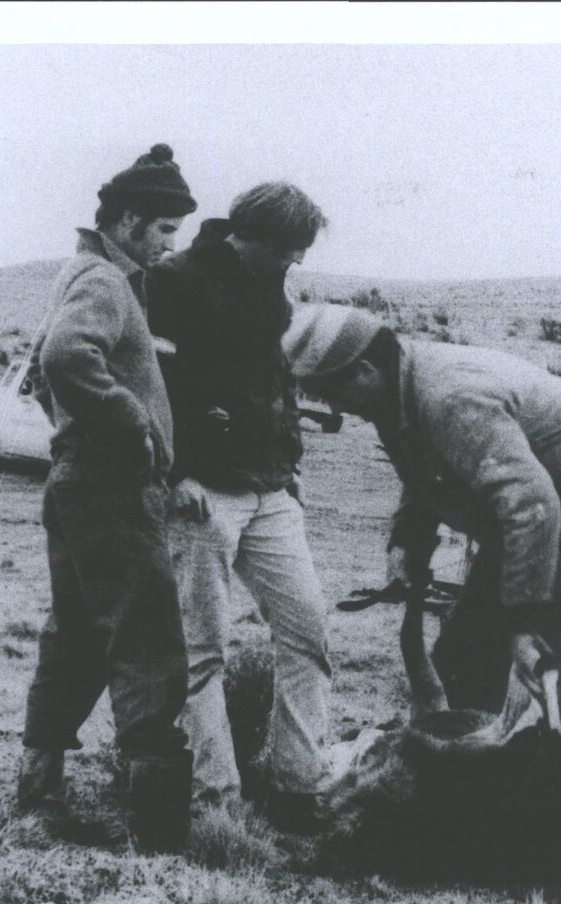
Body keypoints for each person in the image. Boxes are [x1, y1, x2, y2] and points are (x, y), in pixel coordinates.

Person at [281, 306, 561, 888]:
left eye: (334, 393)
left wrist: (524, 626)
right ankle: (476, 818)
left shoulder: (449, 397)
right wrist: (407, 542)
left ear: (365, 370)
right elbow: (427, 472)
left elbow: (534, 502)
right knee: (464, 660)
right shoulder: (398, 394)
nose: (337, 409)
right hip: (523, 520)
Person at [16, 144, 198, 850]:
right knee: (149, 636)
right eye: (161, 231)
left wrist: (72, 436)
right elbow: (63, 357)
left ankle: (39, 794)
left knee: (78, 633)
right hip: (112, 486)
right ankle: (156, 832)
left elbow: (38, 370)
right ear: (126, 221)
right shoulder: (105, 282)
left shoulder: (79, 271)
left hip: (78, 480)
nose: (165, 245)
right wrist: (133, 428)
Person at [146, 182, 333, 832]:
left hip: (270, 486)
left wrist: (290, 468)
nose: (294, 262)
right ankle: (214, 804)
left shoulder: (271, 286)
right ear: (247, 236)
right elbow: (146, 385)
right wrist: (170, 474)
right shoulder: (172, 281)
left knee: (308, 628)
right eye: (287, 249)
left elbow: (274, 382)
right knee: (203, 646)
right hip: (201, 491)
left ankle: (295, 789)